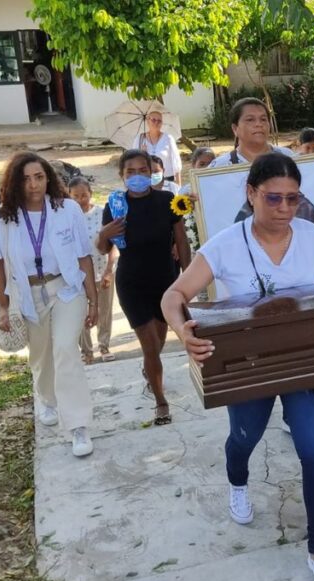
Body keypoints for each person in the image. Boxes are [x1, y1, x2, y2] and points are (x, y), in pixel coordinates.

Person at [161, 153, 314, 581]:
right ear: (251, 194)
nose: (284, 207)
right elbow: (174, 295)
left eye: (292, 198)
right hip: (248, 364)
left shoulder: (312, 237)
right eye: (273, 198)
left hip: (304, 365)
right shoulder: (225, 245)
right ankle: (238, 480)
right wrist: (181, 330)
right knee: (245, 438)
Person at [0, 152, 99, 458]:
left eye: (39, 177)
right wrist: (4, 304)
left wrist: (93, 300)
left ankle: (77, 425)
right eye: (25, 178)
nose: (33, 185)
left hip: (66, 288)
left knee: (64, 348)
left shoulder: (67, 209)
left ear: (49, 179)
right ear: (14, 182)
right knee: (42, 354)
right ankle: (46, 398)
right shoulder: (0, 217)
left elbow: (84, 256)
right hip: (27, 295)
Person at [97, 150, 192, 425]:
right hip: (132, 282)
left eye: (142, 170)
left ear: (152, 173)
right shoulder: (115, 206)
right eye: (130, 172)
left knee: (159, 341)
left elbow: (182, 242)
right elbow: (104, 248)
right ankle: (161, 402)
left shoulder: (168, 201)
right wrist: (104, 234)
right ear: (121, 176)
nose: (137, 176)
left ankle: (150, 371)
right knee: (149, 346)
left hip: (166, 281)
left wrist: (187, 280)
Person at [68, 177, 116, 365]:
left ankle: (104, 346)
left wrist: (109, 270)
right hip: (78, 275)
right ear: (69, 197)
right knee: (81, 311)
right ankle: (86, 351)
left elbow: (113, 244)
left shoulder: (102, 214)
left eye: (84, 195)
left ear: (91, 194)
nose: (81, 200)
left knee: (104, 310)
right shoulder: (67, 219)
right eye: (76, 196)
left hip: (102, 269)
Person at [209, 98, 296, 168]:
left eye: (263, 119)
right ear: (235, 129)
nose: (259, 124)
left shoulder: (290, 158)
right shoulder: (219, 167)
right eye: (250, 120)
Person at [132, 111, 183, 181]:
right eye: (153, 120)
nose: (156, 122)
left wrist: (178, 185)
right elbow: (133, 162)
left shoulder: (168, 138)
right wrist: (142, 154)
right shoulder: (139, 139)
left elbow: (176, 162)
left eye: (159, 121)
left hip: (166, 179)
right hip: (147, 179)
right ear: (147, 121)